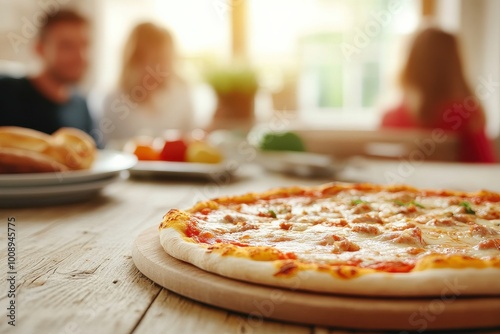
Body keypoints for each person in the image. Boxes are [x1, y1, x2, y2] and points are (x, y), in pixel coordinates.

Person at [380, 27, 495, 163]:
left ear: (411, 64)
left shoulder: (391, 117)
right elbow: (486, 166)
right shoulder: (467, 114)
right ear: (455, 65)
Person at [0, 9, 95, 137]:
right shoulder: (6, 92)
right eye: (67, 46)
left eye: (84, 45)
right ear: (39, 49)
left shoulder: (81, 105)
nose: (80, 56)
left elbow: (96, 154)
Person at [101, 23, 193, 146]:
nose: (158, 68)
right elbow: (109, 147)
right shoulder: (113, 100)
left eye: (164, 59)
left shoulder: (181, 92)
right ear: (133, 59)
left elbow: (190, 139)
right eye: (152, 60)